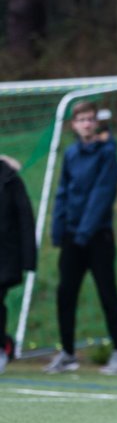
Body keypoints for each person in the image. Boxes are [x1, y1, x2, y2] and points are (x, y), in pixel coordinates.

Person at [44, 102, 117, 376]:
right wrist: (59, 228)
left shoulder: (107, 154)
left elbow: (102, 195)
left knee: (107, 293)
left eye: (90, 119)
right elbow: (63, 192)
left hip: (97, 237)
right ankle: (68, 354)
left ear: (96, 123)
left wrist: (85, 231)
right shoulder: (71, 154)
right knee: (65, 295)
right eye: (81, 119)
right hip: (73, 237)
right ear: (73, 125)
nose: (85, 123)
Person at [0, 154, 38, 375]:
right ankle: (7, 342)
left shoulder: (9, 178)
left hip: (5, 256)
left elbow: (25, 217)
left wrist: (28, 257)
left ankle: (3, 348)